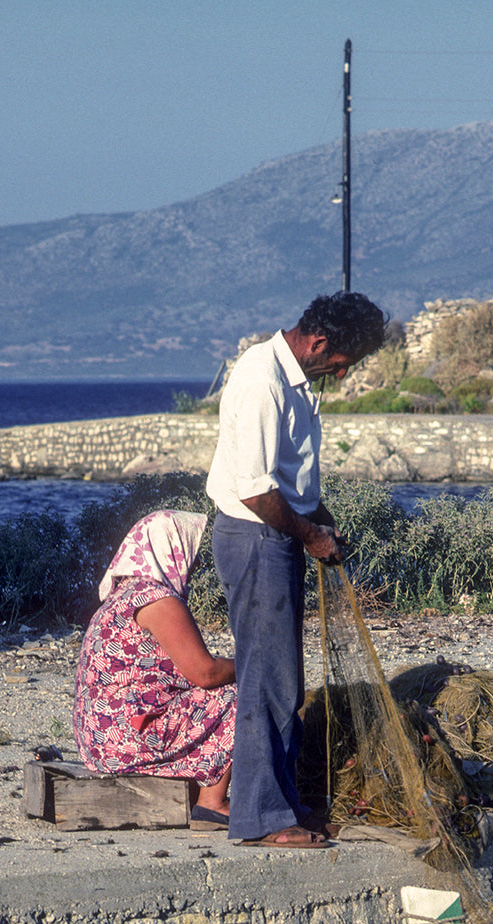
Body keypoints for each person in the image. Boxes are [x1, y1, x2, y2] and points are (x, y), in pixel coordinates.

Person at [206, 291, 387, 848]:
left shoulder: (294, 381)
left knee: (285, 680)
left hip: (276, 536)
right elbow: (257, 491)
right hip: (257, 539)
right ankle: (261, 818)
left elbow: (289, 480)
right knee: (266, 680)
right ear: (321, 343)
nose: (342, 372)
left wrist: (320, 521)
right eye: (343, 361)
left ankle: (282, 804)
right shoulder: (262, 379)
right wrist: (309, 535)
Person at [72, 509, 235, 827]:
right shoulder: (157, 600)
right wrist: (256, 664)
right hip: (128, 735)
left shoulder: (122, 597)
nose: (196, 563)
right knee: (244, 693)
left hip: (100, 739)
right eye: (190, 551)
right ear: (169, 550)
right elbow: (204, 672)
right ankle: (213, 802)